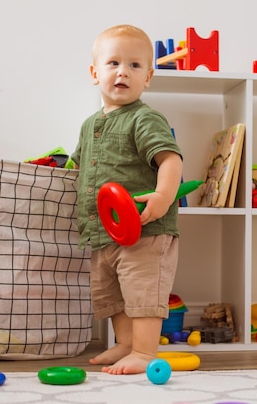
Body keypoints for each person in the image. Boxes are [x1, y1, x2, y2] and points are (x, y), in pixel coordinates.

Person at [70, 24, 183, 375]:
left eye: (134, 66)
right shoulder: (89, 124)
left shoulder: (144, 118)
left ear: (148, 77)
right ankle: (124, 343)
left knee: (142, 292)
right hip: (103, 231)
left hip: (143, 229)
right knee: (113, 294)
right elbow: (79, 164)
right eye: (113, 63)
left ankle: (146, 352)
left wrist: (163, 197)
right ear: (94, 73)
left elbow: (170, 158)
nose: (123, 72)